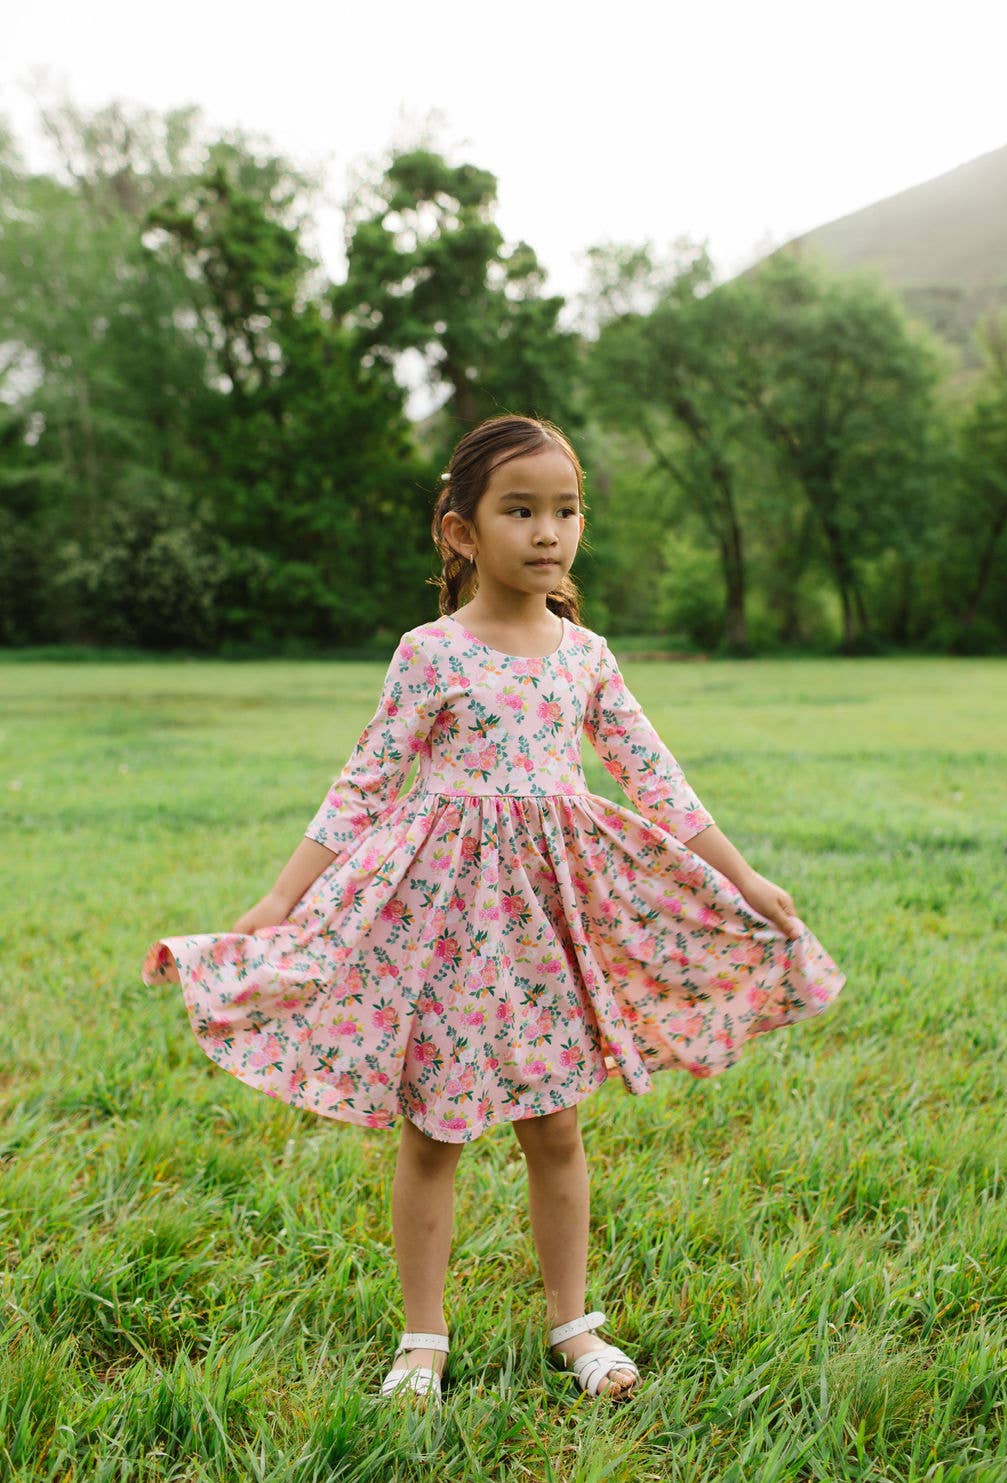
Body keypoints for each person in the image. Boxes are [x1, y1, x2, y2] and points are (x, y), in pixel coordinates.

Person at [141, 413, 846, 1408]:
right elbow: (363, 783)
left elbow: (659, 781)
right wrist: (278, 900)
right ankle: (422, 1337)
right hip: (441, 926)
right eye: (522, 510)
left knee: (555, 1128)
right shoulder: (430, 653)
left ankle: (572, 1323)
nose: (548, 531)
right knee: (434, 1133)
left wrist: (741, 876)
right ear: (462, 532)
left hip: (545, 933)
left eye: (566, 510)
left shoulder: (585, 654)